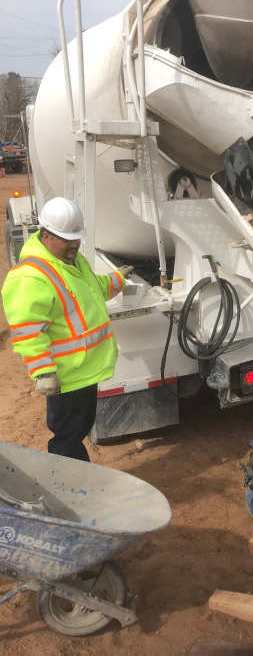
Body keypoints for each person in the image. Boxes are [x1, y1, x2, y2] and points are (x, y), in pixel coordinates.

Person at [1, 197, 133, 462]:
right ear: (46, 235)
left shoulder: (72, 260)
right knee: (67, 437)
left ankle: (75, 479)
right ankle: (67, 483)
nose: (74, 244)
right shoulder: (30, 276)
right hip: (65, 375)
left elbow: (92, 288)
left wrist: (117, 279)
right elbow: (27, 330)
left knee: (78, 429)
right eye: (67, 239)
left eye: (77, 237)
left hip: (85, 370)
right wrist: (43, 371)